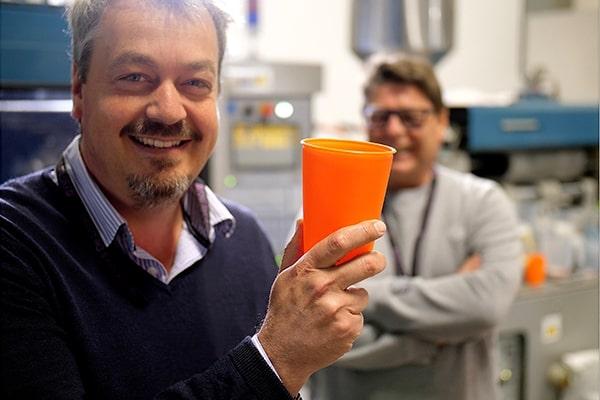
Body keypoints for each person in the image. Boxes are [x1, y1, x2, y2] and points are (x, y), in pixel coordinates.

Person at [0, 1, 387, 399]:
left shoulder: (244, 238)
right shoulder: (15, 243)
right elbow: (267, 373)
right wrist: (276, 360)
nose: (168, 111)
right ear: (79, 89)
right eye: (135, 77)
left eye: (195, 83)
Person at [309, 57, 523, 400]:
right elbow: (316, 325)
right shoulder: (328, 206)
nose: (394, 130)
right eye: (380, 116)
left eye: (412, 117)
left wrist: (365, 298)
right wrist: (438, 331)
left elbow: (486, 305)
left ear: (442, 122)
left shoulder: (483, 202)